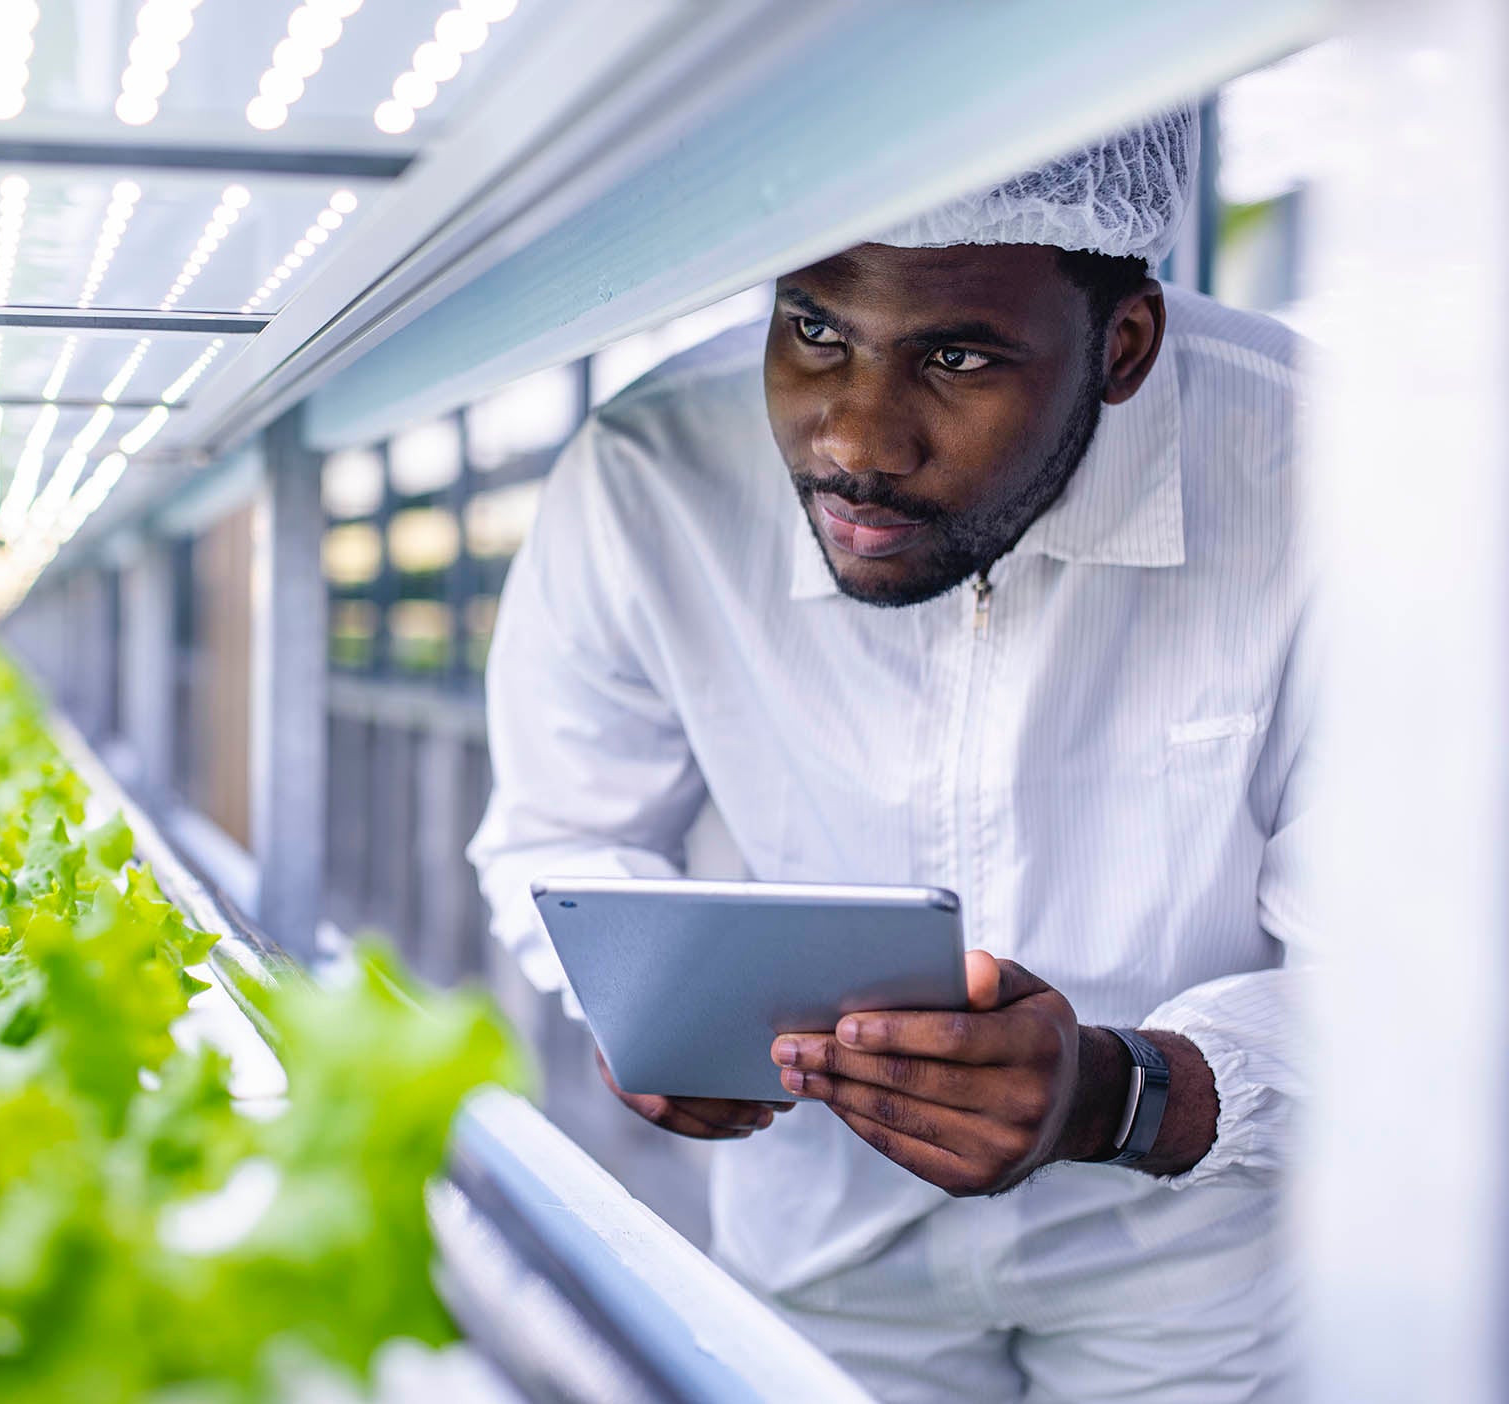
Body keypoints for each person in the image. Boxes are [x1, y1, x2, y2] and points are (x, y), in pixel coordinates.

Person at [467, 108, 1308, 1402]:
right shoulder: (652, 475)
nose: (856, 438)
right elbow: (556, 829)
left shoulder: (1327, 475)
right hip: (820, 1248)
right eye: (813, 329)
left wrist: (1122, 1095)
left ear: (1123, 346)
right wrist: (644, 1005)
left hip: (1194, 1271)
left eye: (957, 357)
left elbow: (1425, 976)